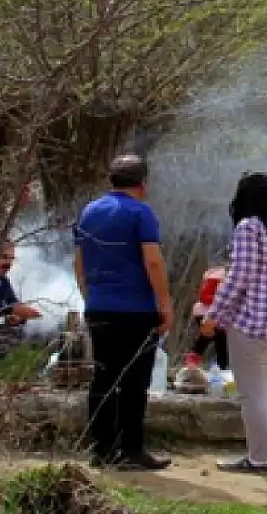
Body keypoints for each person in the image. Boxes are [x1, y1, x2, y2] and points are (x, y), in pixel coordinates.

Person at [73, 153, 173, 471]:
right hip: (136, 311)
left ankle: (102, 451)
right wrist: (165, 304)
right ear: (143, 184)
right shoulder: (141, 214)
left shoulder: (89, 212)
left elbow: (79, 262)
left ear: (111, 181)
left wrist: (90, 295)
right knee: (134, 382)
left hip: (99, 307)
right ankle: (131, 452)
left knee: (102, 379)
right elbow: (153, 261)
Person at [201, 172, 267, 475]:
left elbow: (238, 277)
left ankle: (258, 459)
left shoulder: (249, 229)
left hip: (250, 324)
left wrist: (214, 315)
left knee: (251, 395)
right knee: (262, 392)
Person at [186, 261, 230, 370]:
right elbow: (204, 296)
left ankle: (193, 362)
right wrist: (222, 300)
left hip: (218, 314)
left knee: (209, 339)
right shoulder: (217, 277)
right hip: (205, 312)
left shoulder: (229, 276)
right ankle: (222, 368)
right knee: (219, 339)